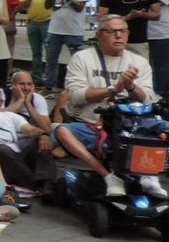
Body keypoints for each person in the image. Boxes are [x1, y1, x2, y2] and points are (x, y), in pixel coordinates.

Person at [54, 14, 162, 197]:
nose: (119, 36)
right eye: (113, 31)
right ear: (99, 34)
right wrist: (114, 88)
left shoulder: (139, 62)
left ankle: (149, 176)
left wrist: (131, 87)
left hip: (130, 124)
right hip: (92, 123)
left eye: (123, 31)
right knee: (61, 130)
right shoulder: (82, 58)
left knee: (157, 129)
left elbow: (148, 99)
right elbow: (76, 96)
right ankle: (108, 176)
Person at [0, 86, 57, 194]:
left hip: (18, 159)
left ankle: (48, 186)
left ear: (0, 103)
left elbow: (31, 130)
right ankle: (37, 186)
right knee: (0, 149)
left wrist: (44, 135)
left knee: (40, 140)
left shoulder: (9, 116)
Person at [19, 0, 57, 86]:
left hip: (48, 22)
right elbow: (23, 4)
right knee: (36, 52)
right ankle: (37, 78)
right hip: (32, 22)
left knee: (50, 52)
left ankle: (50, 80)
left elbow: (55, 3)